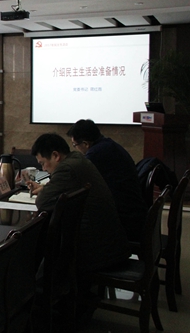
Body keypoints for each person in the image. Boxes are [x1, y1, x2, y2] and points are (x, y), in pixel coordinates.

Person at [27, 133, 130, 326]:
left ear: (56, 155)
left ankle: (40, 311)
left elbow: (43, 203)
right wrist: (48, 187)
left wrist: (45, 190)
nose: (43, 169)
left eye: (43, 163)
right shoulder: (77, 159)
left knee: (50, 254)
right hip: (110, 242)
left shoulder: (66, 169)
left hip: (99, 251)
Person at [67, 119, 147, 242]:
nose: (76, 149)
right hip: (134, 211)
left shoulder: (95, 154)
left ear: (85, 144)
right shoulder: (108, 145)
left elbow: (76, 182)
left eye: (75, 145)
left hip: (124, 218)